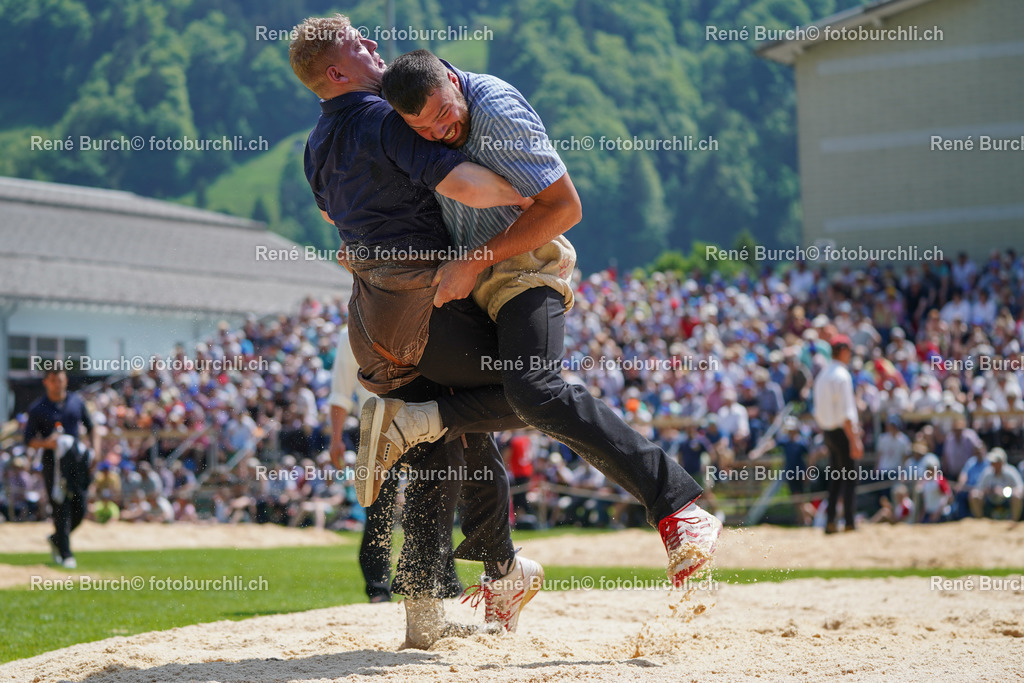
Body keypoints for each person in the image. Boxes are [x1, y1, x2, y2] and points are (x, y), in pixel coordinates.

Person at [374, 47, 720, 582]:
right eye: (424, 127)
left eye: (444, 112)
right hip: (470, 278)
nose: (442, 130)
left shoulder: (497, 110)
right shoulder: (412, 122)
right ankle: (503, 573)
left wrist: (474, 260)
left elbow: (565, 208)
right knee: (448, 401)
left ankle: (678, 506)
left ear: (450, 76)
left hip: (522, 264)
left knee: (534, 389)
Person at [289, 15, 542, 646]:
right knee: (529, 391)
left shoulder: (315, 145)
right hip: (423, 309)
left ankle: (435, 607)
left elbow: (334, 217)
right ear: (338, 71)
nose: (374, 44)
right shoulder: (379, 119)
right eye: (358, 44)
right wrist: (536, 197)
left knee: (445, 435)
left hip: (368, 322)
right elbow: (464, 184)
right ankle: (500, 566)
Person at [23, 369, 97, 569]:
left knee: (80, 508)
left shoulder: (77, 402)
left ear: (66, 381)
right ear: (46, 382)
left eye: (61, 380)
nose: (58, 384)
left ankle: (57, 539)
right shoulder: (38, 408)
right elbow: (29, 440)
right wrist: (48, 443)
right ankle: (66, 553)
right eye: (54, 380)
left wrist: (95, 452)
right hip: (52, 464)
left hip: (76, 460)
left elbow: (92, 427)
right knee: (60, 506)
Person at [812, 335, 863, 533]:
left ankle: (831, 520)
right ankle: (849, 522)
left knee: (836, 476)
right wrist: (855, 439)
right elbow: (847, 414)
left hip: (828, 431)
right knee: (849, 477)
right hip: (842, 431)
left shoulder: (823, 375)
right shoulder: (842, 375)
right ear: (843, 351)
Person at [970, 448, 1023, 522]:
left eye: (996, 462)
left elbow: (1020, 488)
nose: (993, 464)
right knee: (974, 495)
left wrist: (1005, 491)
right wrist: (986, 491)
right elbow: (978, 489)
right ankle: (980, 521)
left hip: (1006, 501)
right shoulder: (987, 473)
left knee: (1017, 496)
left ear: (1002, 462)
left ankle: (1013, 522)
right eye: (992, 462)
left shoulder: (1011, 472)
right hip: (990, 501)